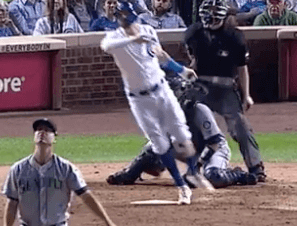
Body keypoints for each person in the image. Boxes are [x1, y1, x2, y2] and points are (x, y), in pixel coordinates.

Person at [100, 0, 201, 205]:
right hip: (139, 99)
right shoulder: (115, 37)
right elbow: (106, 46)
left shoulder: (148, 31)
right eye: (121, 15)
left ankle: (192, 173)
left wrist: (182, 70)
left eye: (126, 14)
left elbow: (160, 56)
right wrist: (133, 39)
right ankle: (181, 186)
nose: (124, 19)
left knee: (181, 133)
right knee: (159, 143)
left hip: (161, 89)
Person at [107, 75, 258, 188]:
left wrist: (196, 167)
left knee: (214, 176)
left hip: (212, 150)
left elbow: (214, 143)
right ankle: (129, 173)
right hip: (188, 149)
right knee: (150, 151)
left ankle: (238, 174)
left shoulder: (198, 110)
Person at [185, 0, 267, 182]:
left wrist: (246, 95)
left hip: (226, 87)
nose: (211, 17)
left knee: (240, 125)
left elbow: (242, 68)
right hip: (201, 86)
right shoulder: (194, 33)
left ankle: (255, 167)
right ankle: (195, 165)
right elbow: (193, 61)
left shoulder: (234, 36)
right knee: (191, 123)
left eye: (215, 14)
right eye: (208, 13)